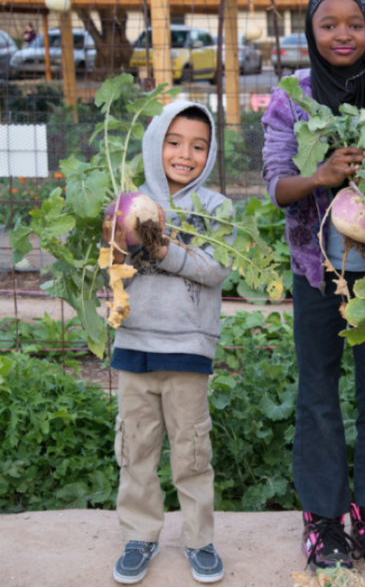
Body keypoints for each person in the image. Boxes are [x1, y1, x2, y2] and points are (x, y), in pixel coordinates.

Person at [261, 0, 365, 573]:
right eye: (329, 24)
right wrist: (323, 176)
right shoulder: (290, 99)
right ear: (311, 32)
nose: (343, 34)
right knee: (318, 392)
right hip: (316, 272)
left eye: (355, 23)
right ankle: (323, 519)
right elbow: (276, 185)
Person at [104, 101, 230, 585]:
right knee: (135, 449)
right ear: (154, 144)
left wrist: (161, 247)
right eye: (174, 142)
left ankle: (199, 541)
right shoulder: (127, 202)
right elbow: (112, 268)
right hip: (135, 345)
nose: (185, 154)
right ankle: (140, 536)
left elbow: (214, 269)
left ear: (211, 152)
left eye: (198, 146)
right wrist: (117, 237)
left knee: (192, 452)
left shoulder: (217, 209)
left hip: (188, 349)